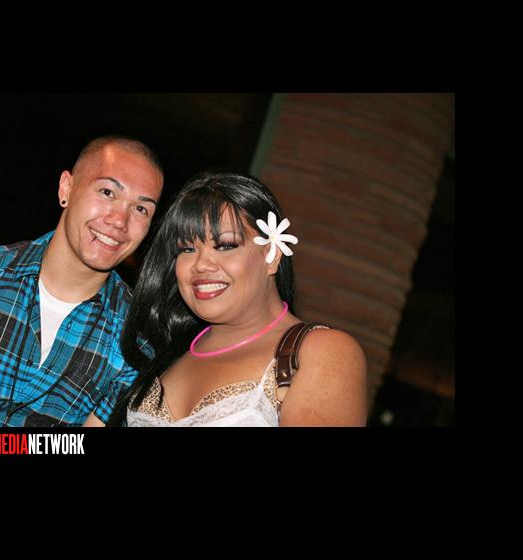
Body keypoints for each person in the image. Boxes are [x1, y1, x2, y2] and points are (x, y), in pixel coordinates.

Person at [107, 171, 367, 427]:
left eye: (225, 245)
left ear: (272, 255)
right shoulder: (161, 348)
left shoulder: (321, 352)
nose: (201, 264)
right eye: (187, 249)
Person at [0, 135, 164, 427]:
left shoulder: (135, 341)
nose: (119, 220)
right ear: (66, 188)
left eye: (141, 209)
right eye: (107, 192)